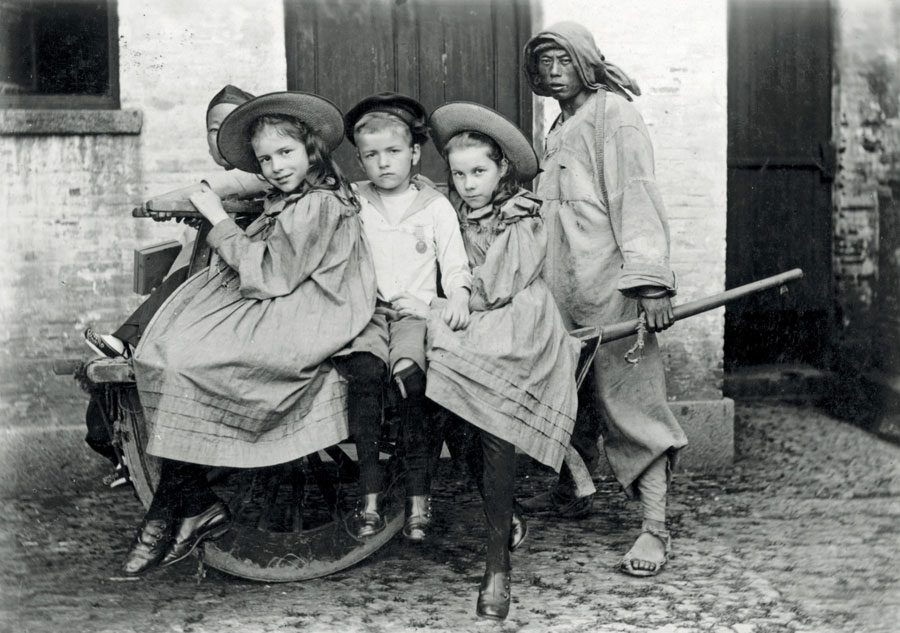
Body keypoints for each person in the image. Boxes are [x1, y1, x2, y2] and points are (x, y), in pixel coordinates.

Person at [121, 91, 378, 576]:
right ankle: (191, 502)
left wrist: (219, 221)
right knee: (165, 352)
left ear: (312, 151)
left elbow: (270, 275)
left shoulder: (319, 205)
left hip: (309, 313)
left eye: (286, 153)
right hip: (286, 302)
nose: (277, 166)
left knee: (192, 363)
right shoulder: (291, 196)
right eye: (266, 158)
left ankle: (169, 511)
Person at [520, 22, 689, 578]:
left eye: (562, 60)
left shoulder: (614, 116)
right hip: (560, 283)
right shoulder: (559, 126)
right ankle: (578, 485)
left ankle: (654, 529)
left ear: (587, 61)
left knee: (629, 400)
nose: (552, 70)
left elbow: (635, 195)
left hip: (610, 285)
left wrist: (649, 283)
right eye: (543, 61)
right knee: (564, 390)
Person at [425, 102, 580, 620]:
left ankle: (497, 568)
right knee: (438, 389)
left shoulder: (521, 215)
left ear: (501, 171)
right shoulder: (446, 208)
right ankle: (505, 513)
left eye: (479, 172)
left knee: (491, 413)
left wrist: (451, 298)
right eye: (459, 173)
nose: (468, 184)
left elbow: (494, 287)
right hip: (469, 318)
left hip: (517, 322)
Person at [82, 84, 266, 467]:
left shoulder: (256, 173)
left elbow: (214, 188)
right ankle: (118, 430)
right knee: (178, 265)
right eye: (214, 129)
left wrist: (173, 202)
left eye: (234, 127)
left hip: (235, 286)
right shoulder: (236, 182)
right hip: (210, 278)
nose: (222, 138)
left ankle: (128, 344)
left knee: (184, 276)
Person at [342, 93, 472, 541]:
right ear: (359, 161)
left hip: (413, 312)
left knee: (412, 381)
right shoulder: (353, 203)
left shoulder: (435, 207)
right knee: (363, 373)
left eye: (394, 152)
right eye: (371, 156)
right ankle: (370, 494)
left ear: (414, 154)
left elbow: (455, 264)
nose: (383, 164)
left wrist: (457, 295)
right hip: (367, 313)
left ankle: (418, 496)